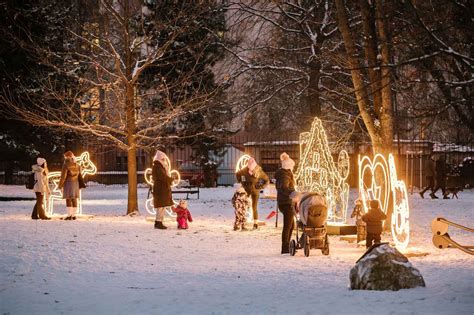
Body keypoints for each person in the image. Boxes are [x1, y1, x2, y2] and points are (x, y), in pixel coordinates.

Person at [236, 157, 269, 229]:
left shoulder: (259, 171)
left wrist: (261, 186)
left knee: (254, 207)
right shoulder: (244, 170)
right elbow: (238, 174)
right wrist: (242, 181)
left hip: (255, 191)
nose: (250, 170)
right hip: (246, 191)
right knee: (243, 206)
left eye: (252, 168)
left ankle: (255, 223)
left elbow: (267, 180)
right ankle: (242, 222)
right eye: (249, 168)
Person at [275, 152, 296, 254]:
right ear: (289, 166)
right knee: (288, 226)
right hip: (286, 203)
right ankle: (285, 248)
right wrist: (293, 193)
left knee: (291, 226)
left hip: (284, 202)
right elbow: (284, 188)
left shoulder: (283, 174)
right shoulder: (285, 175)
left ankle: (287, 246)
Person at [152, 150, 174, 229]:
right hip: (160, 189)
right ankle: (158, 222)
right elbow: (162, 177)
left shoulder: (159, 166)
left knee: (162, 206)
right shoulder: (158, 166)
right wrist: (170, 179)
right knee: (160, 206)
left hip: (161, 188)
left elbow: (163, 176)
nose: (164, 160)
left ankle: (159, 221)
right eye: (163, 158)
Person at [59, 151, 82, 220]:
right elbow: (79, 174)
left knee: (68, 199)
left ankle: (69, 215)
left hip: (68, 183)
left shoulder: (66, 164)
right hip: (75, 183)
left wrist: (60, 185)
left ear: (67, 156)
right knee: (74, 198)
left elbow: (63, 176)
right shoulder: (77, 164)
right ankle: (74, 215)